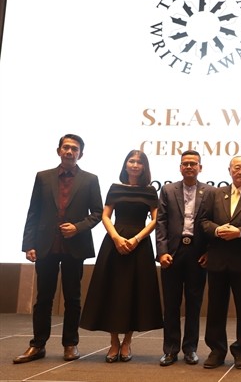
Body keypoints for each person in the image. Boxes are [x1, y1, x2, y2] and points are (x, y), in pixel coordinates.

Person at [13, 134, 103, 364]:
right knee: (43, 298)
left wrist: (78, 227)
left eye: (74, 148)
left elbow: (97, 213)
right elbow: (33, 212)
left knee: (73, 298)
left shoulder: (90, 179)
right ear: (58, 150)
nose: (70, 152)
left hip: (75, 246)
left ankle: (70, 344)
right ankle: (38, 345)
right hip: (45, 245)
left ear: (81, 153)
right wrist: (28, 244)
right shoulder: (43, 177)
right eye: (66, 147)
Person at [80, 150, 163, 363]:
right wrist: (116, 237)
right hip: (114, 243)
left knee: (135, 292)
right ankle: (114, 342)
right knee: (113, 292)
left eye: (139, 162)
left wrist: (136, 239)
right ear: (125, 165)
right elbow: (106, 215)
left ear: (144, 167)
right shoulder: (115, 188)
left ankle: (127, 342)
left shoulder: (150, 190)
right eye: (131, 161)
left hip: (140, 244)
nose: (135, 165)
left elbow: (155, 220)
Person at [200, 155, 241, 370]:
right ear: (229, 170)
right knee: (216, 307)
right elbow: (203, 221)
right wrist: (217, 230)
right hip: (218, 260)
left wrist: (239, 232)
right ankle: (216, 351)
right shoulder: (215, 194)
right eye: (237, 167)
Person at [156, 150, 214, 366]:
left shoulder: (210, 192)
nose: (189, 167)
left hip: (198, 254)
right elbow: (160, 222)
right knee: (171, 303)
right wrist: (162, 252)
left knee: (194, 303)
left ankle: (190, 349)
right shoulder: (168, 190)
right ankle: (170, 350)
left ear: (201, 167)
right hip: (172, 253)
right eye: (185, 164)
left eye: (193, 164)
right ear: (180, 167)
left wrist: (210, 252)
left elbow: (213, 223)